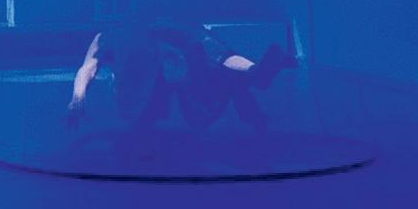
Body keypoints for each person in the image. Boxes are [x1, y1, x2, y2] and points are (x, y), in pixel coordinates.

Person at [67, 20, 294, 132]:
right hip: (157, 87)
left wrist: (78, 99)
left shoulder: (115, 36)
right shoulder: (111, 36)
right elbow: (88, 68)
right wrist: (78, 98)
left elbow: (221, 56)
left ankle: (254, 75)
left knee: (201, 104)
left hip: (179, 80)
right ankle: (254, 75)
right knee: (213, 76)